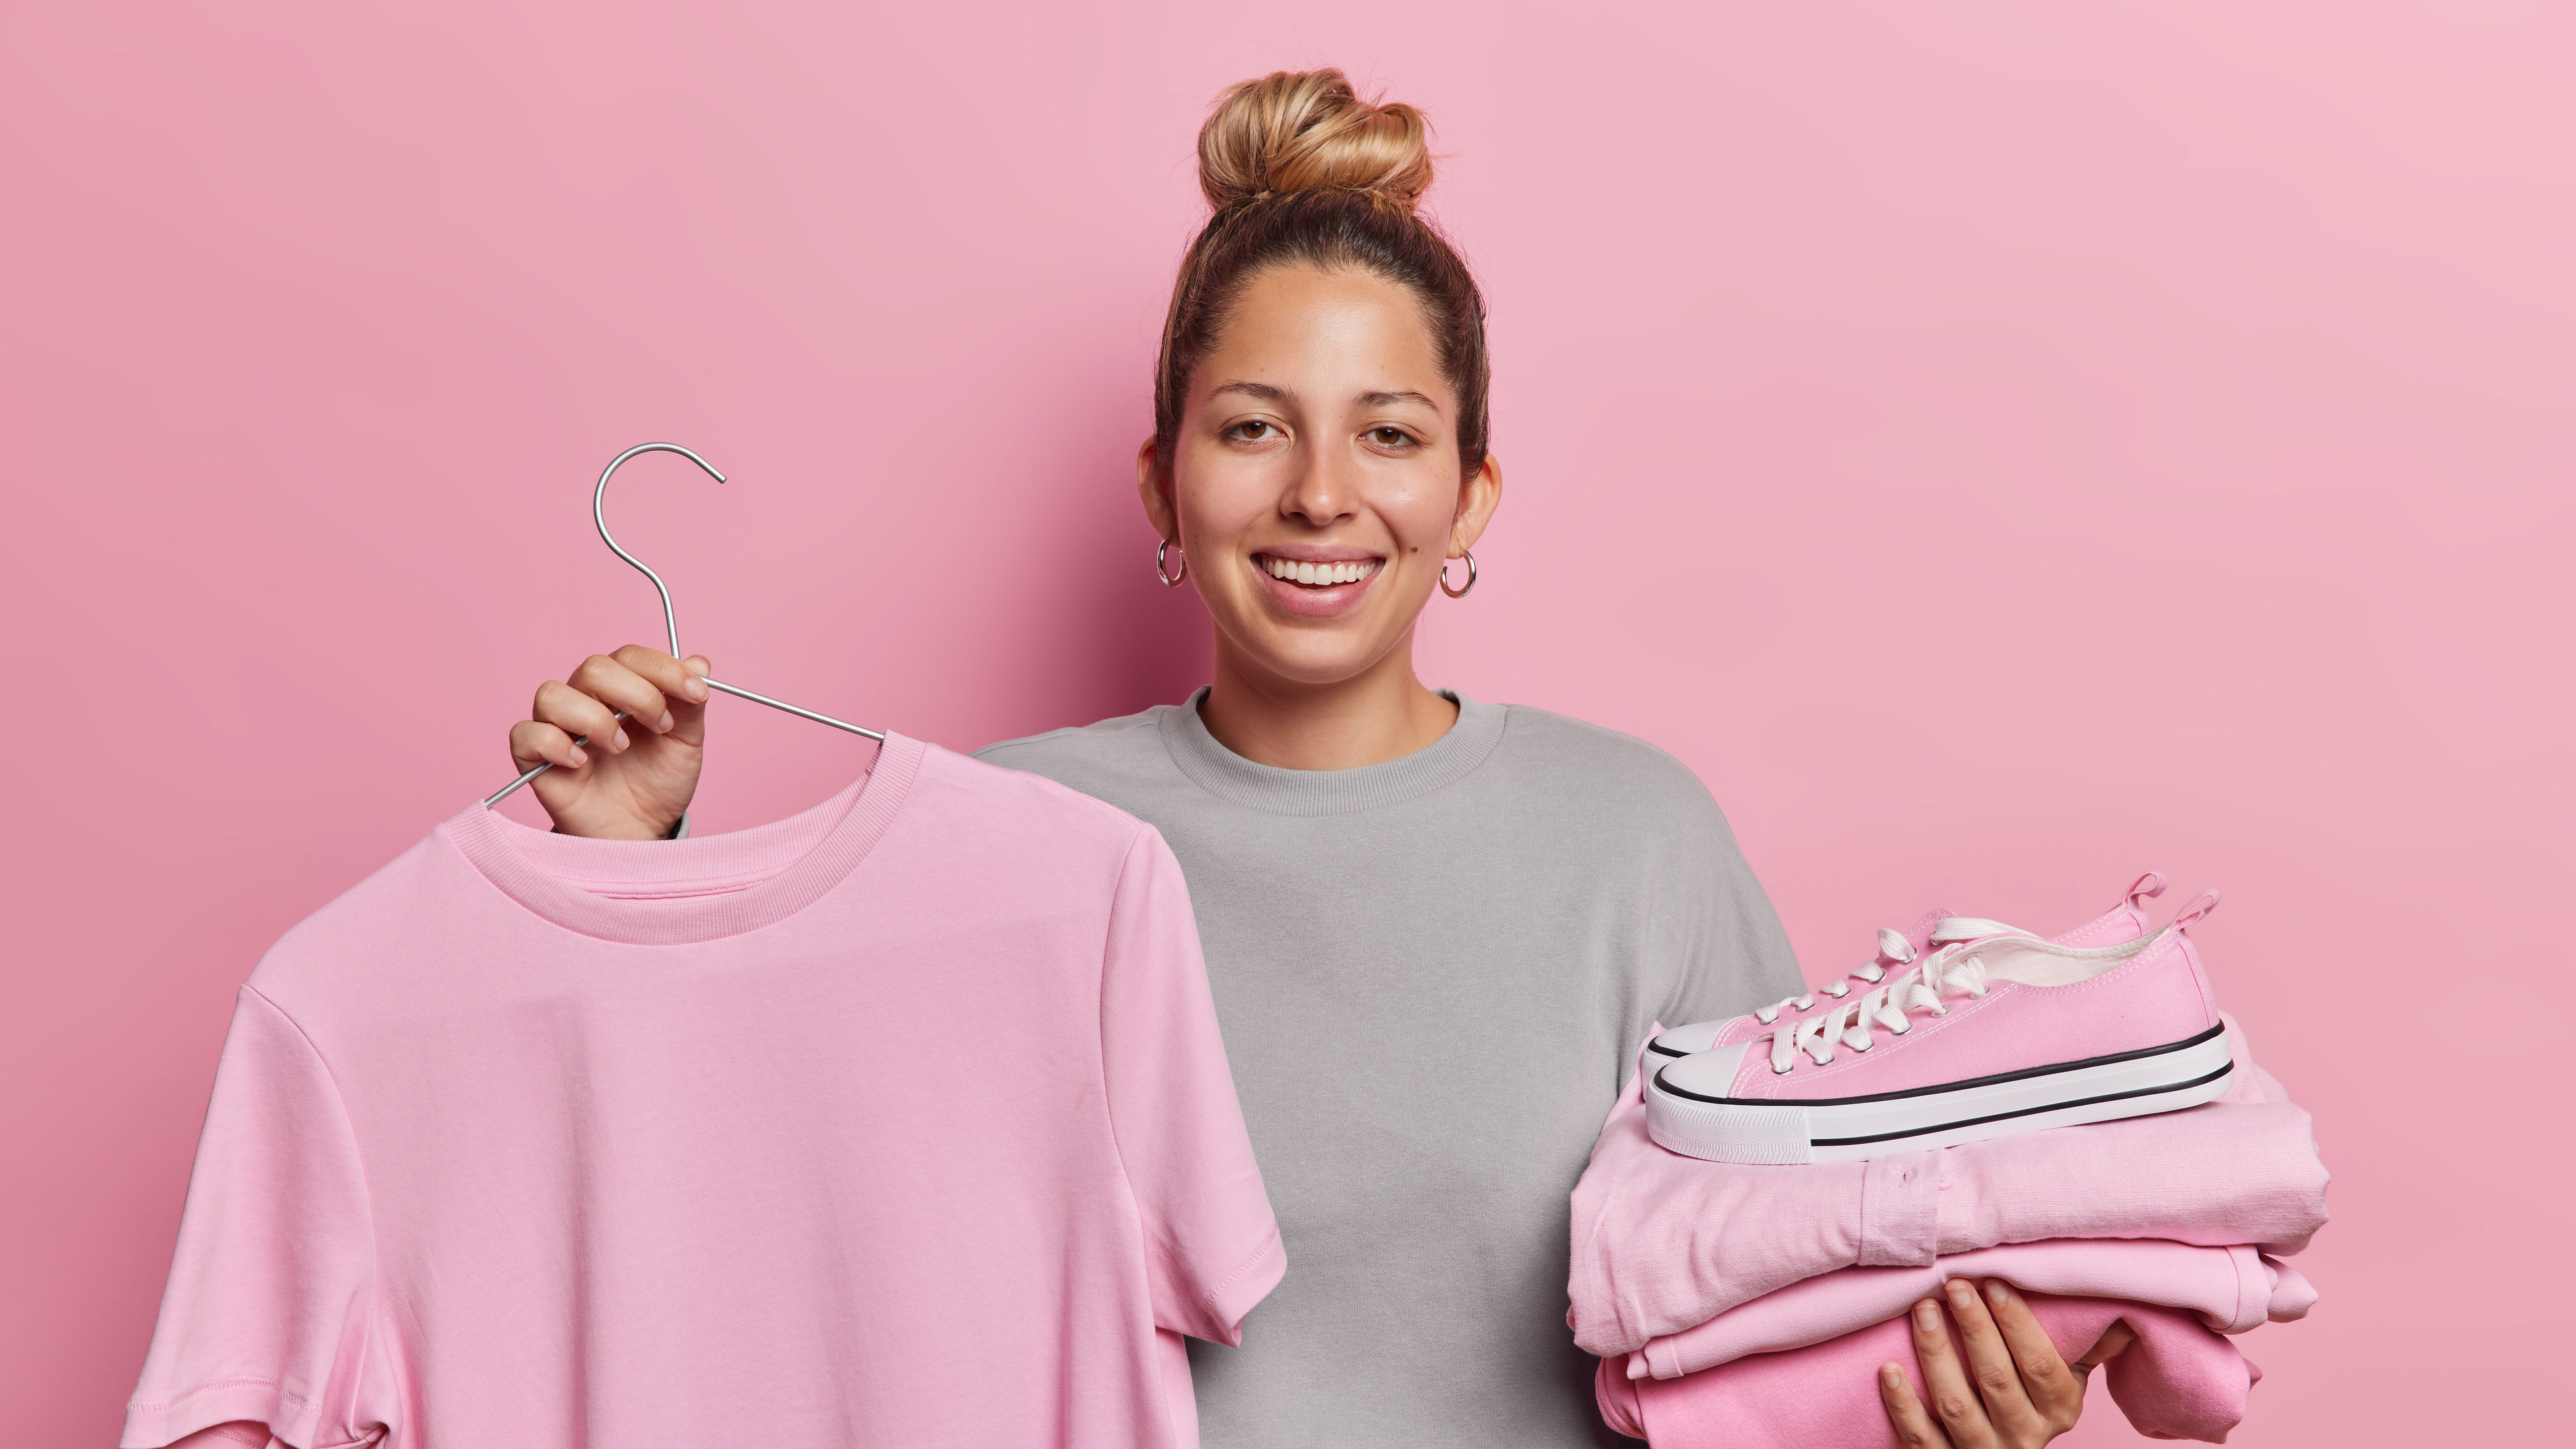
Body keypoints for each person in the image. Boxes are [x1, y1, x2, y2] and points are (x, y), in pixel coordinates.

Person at [503, 68, 2121, 1449]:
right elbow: (757, 1229)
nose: (1321, 495)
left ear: (1472, 493)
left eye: (1392, 433)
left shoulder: (1635, 840)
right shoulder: (1000, 829)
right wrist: (622, 870)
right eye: (1255, 425)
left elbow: (1774, 1323)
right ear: (1164, 479)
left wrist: (1943, 1410)